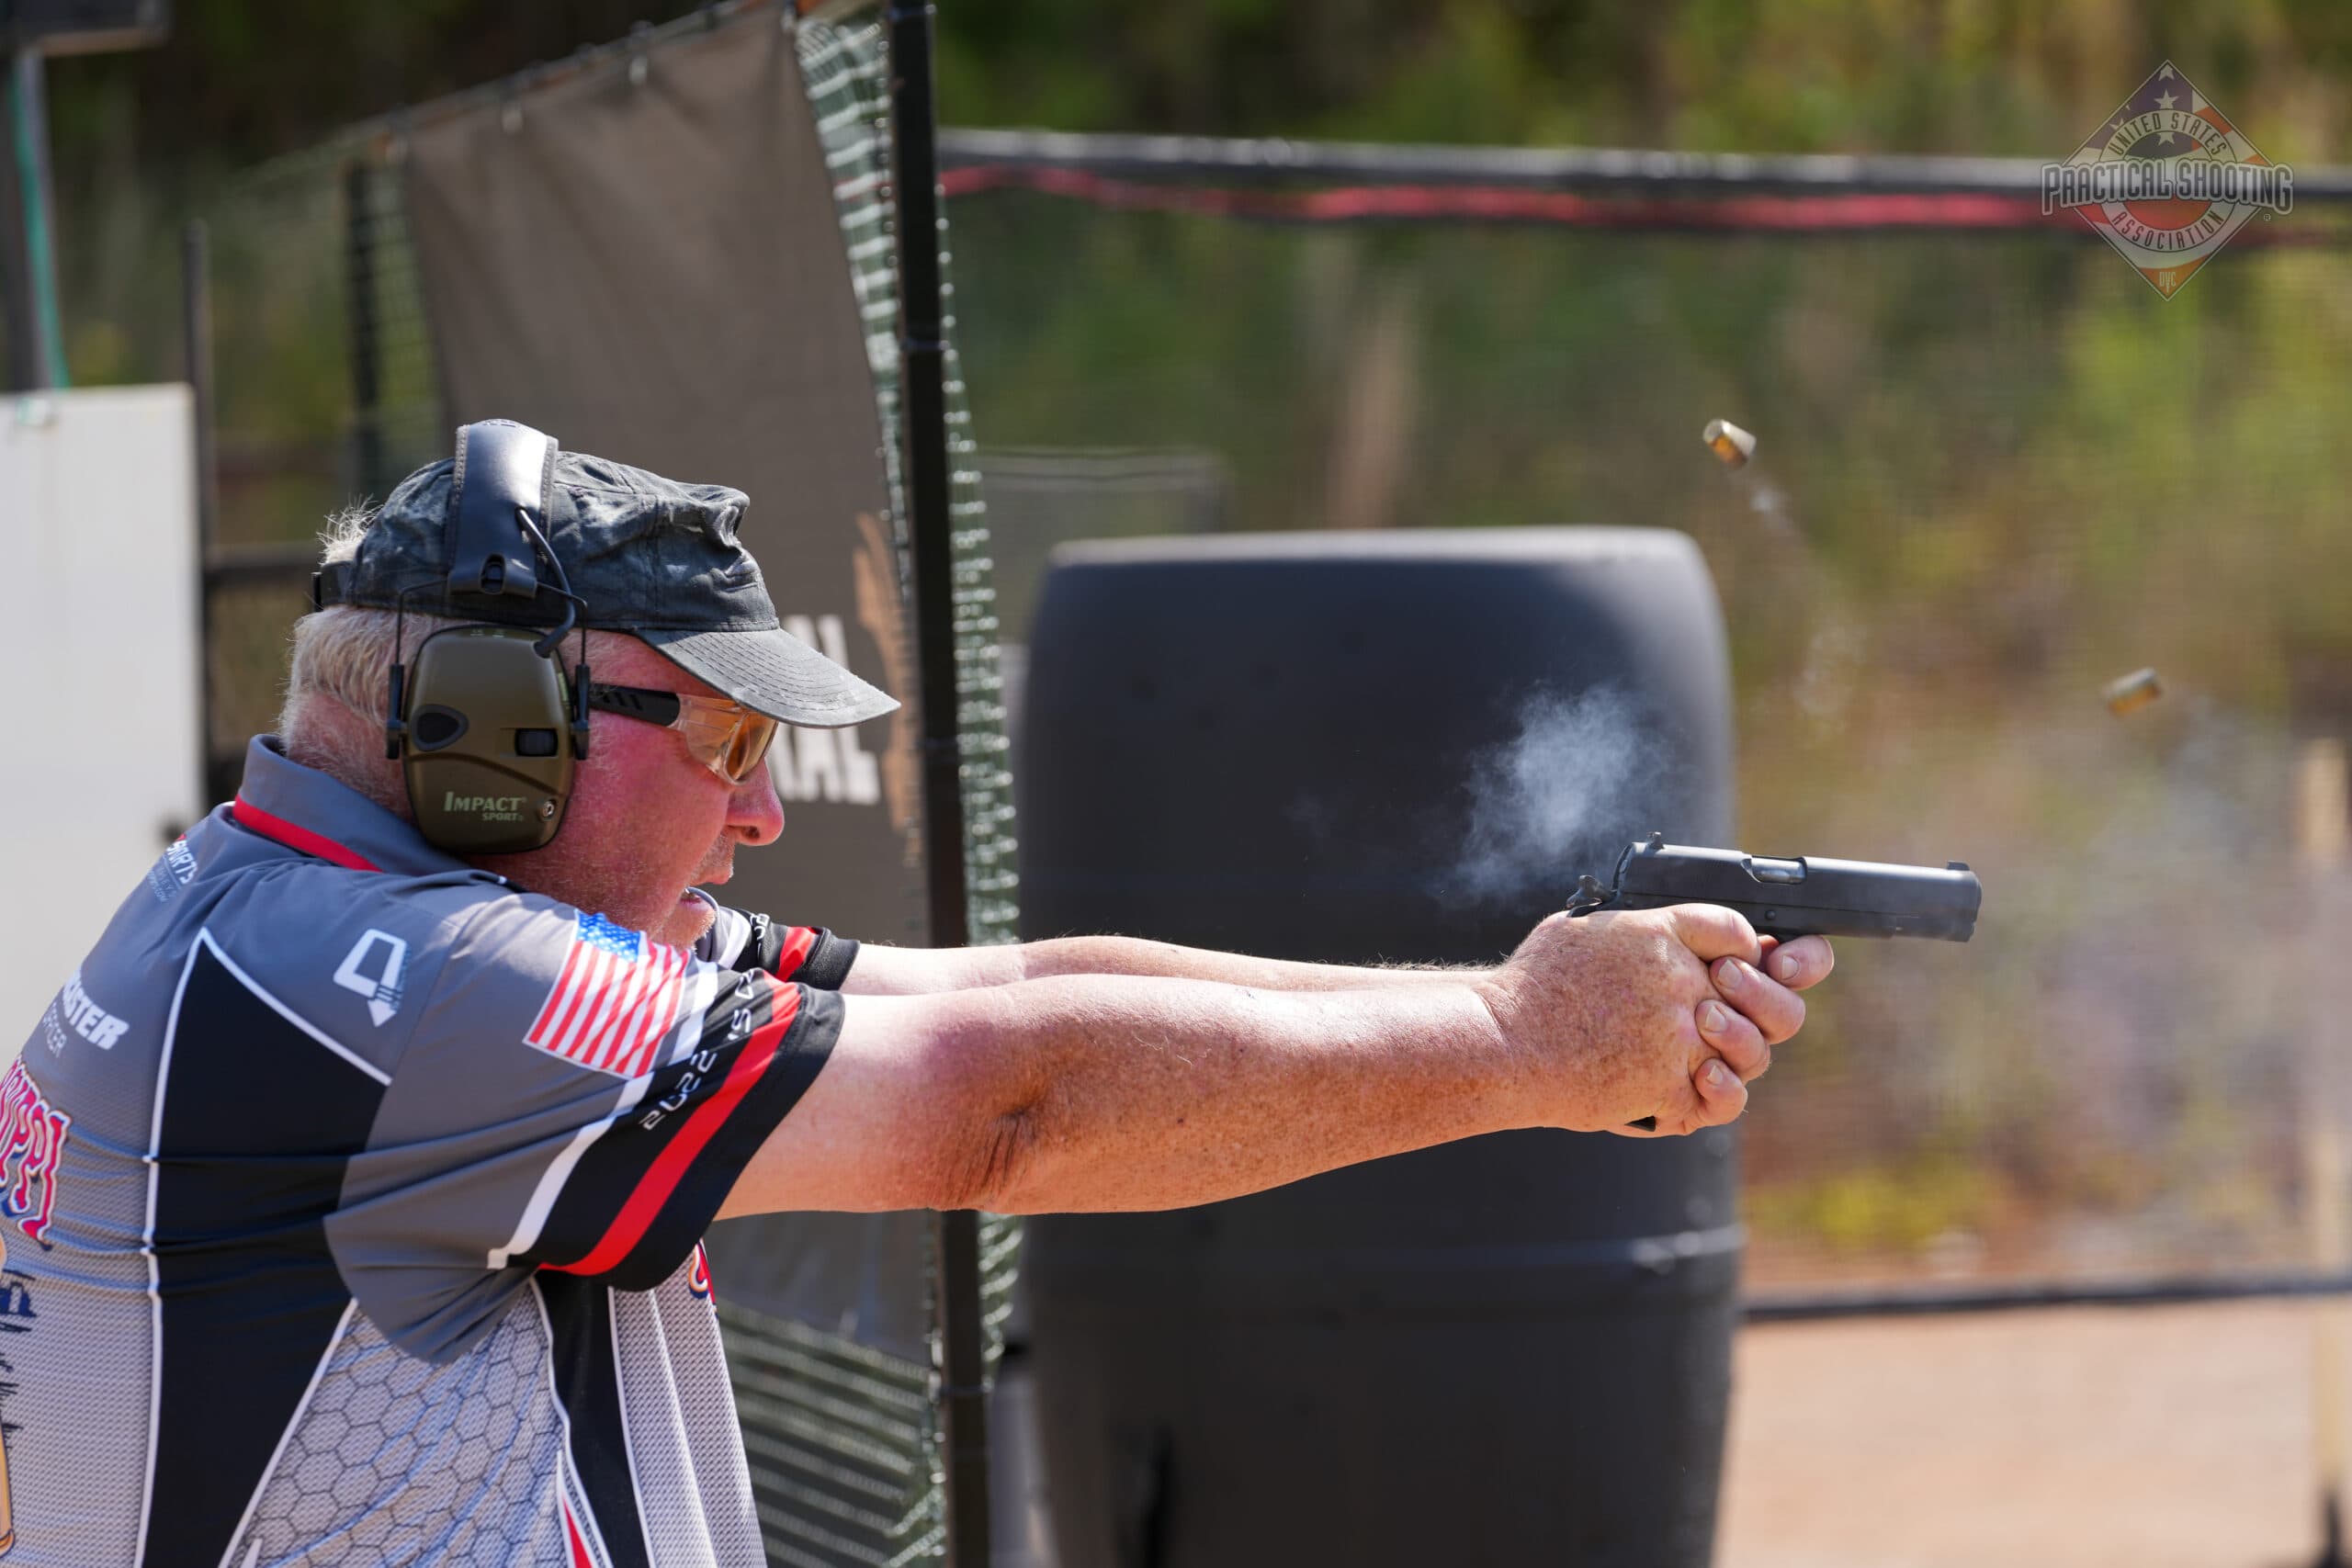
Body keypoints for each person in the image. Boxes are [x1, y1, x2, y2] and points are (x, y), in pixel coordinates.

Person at [3, 423, 1832, 1565]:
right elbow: (999, 1100)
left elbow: (1014, 986)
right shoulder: (392, 984)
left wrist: (1534, 1010)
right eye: (717, 736)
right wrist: (1524, 1044)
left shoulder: (330, 924)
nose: (751, 807)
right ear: (495, 735)